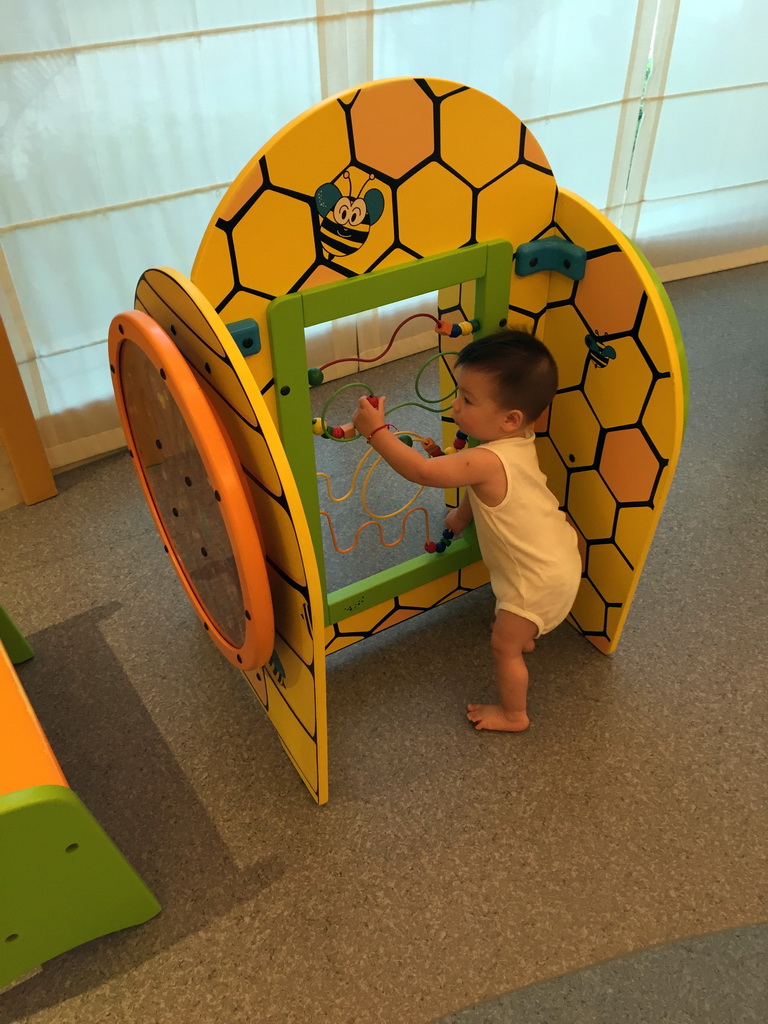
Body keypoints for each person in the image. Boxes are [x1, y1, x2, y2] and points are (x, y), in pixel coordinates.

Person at [351, 328, 582, 732]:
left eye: (467, 400)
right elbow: (491, 493)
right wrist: (461, 517)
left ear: (509, 419)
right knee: (518, 627)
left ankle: (515, 714)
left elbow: (422, 471)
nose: (455, 407)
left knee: (503, 648)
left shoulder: (485, 459)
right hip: (562, 554)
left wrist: (376, 432)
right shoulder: (520, 440)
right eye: (459, 394)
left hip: (537, 583)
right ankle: (529, 629)